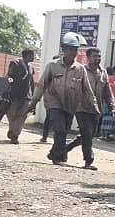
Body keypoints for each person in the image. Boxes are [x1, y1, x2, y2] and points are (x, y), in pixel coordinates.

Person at [28, 33, 94, 166]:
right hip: (54, 102)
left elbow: (87, 89)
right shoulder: (52, 66)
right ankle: (58, 157)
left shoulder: (80, 69)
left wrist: (94, 106)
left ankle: (56, 153)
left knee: (64, 130)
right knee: (60, 129)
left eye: (75, 49)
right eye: (69, 49)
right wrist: (34, 101)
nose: (72, 52)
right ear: (64, 49)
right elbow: (42, 85)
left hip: (70, 105)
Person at [3, 49, 36, 144]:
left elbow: (31, 82)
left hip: (26, 96)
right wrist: (10, 81)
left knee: (22, 116)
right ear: (26, 55)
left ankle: (15, 135)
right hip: (14, 94)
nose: (33, 57)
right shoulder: (15, 63)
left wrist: (33, 95)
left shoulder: (31, 67)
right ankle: (12, 129)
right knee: (11, 114)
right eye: (32, 55)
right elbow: (9, 75)